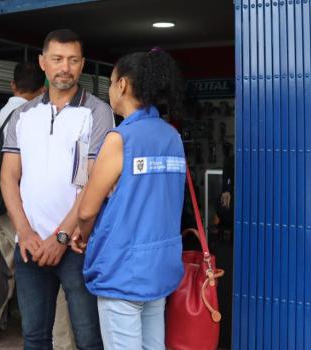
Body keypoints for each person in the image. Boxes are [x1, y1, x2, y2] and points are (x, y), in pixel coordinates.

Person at [0, 29, 113, 350]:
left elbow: (96, 182)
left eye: (73, 60)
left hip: (76, 246)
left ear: (82, 65)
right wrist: (25, 230)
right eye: (57, 59)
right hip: (30, 245)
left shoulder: (97, 112)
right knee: (34, 337)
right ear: (43, 63)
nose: (65, 67)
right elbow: (9, 176)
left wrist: (61, 237)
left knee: (89, 338)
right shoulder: (24, 115)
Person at [74, 49, 186, 350]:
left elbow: (86, 210)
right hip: (159, 266)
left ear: (122, 85)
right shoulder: (172, 137)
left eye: (111, 82)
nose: (110, 89)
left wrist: (81, 237)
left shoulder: (120, 139)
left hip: (122, 269)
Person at [0, 62, 45, 344]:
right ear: (42, 90)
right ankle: (35, 332)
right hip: (18, 209)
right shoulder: (35, 116)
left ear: (13, 86)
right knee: (33, 275)